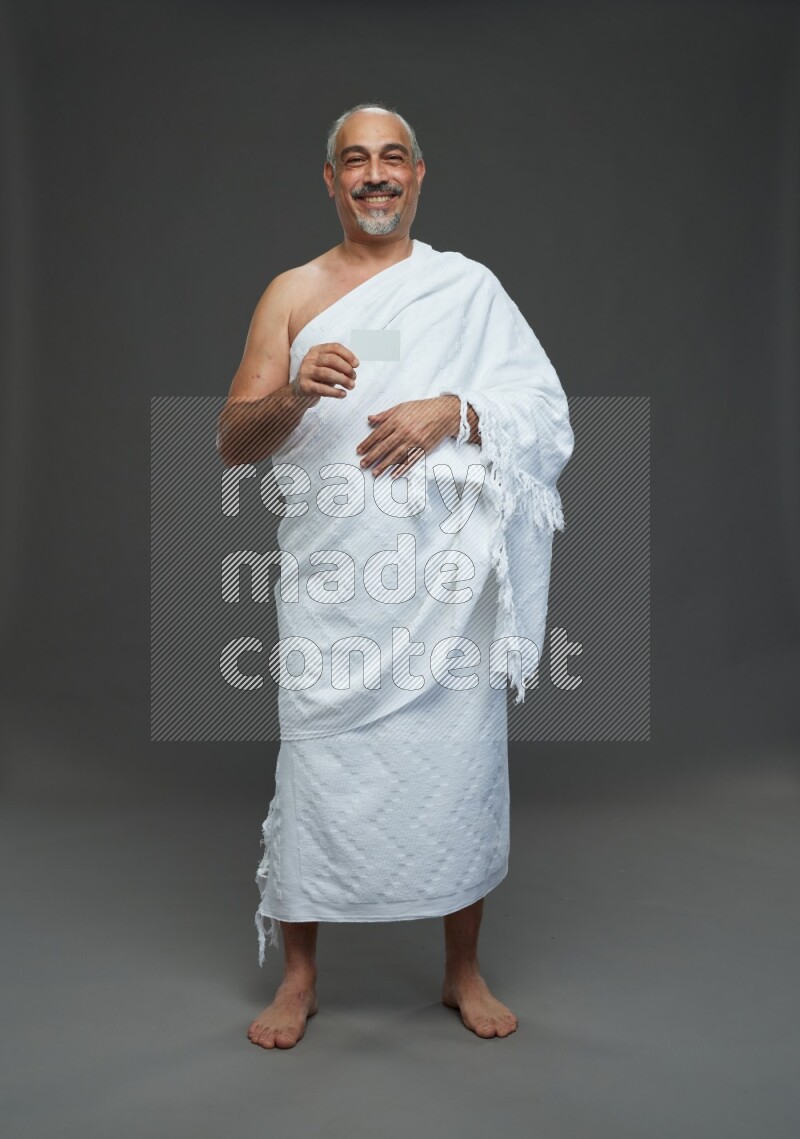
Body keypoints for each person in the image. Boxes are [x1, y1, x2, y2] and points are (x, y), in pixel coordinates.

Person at [217, 102, 574, 1048]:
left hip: (446, 586)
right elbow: (232, 443)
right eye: (354, 161)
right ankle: (299, 977)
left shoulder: (469, 289)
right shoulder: (292, 294)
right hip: (337, 585)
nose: (374, 175)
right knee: (320, 765)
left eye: (391, 159)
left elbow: (544, 408)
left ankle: (461, 969)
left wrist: (453, 410)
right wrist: (295, 392)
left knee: (455, 767)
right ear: (330, 181)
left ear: (419, 174)